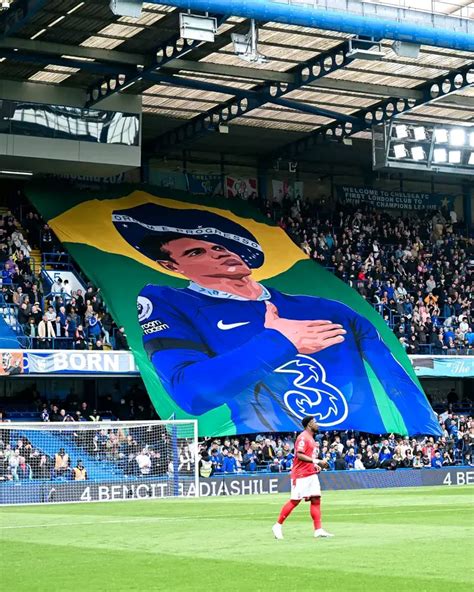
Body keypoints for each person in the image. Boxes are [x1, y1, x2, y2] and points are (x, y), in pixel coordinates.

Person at [118, 205, 440, 435]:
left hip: (348, 433)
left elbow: (397, 381)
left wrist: (425, 434)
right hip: (277, 444)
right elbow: (190, 394)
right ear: (171, 266)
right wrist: (280, 342)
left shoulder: (330, 309)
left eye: (217, 245)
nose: (218, 252)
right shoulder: (170, 302)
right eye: (195, 252)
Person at [272, 416, 333, 540]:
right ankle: (277, 525)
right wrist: (317, 461)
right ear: (309, 424)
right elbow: (299, 455)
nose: (317, 424)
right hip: (300, 474)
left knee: (316, 499)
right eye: (315, 422)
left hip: (311, 473)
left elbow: (309, 458)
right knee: (295, 500)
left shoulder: (311, 439)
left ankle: (318, 529)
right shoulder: (303, 437)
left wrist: (315, 465)